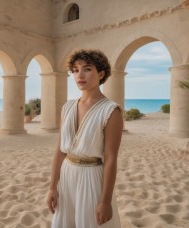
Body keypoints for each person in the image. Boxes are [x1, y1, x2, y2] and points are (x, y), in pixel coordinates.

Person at [47, 49, 123, 228]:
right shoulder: (67, 107)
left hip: (91, 178)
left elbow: (111, 158)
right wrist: (52, 187)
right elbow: (60, 150)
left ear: (101, 73)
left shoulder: (111, 111)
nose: (79, 75)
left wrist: (105, 201)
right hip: (66, 176)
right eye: (75, 70)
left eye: (87, 69)